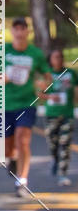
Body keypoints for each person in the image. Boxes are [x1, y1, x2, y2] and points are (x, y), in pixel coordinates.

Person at [4, 17, 50, 197]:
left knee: (23, 139)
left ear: (27, 32)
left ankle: (21, 181)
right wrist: (1, 77)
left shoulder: (35, 54)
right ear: (12, 32)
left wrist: (42, 86)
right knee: (7, 147)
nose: (19, 32)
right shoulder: (3, 51)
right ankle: (11, 159)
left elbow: (47, 77)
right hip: (5, 104)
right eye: (16, 28)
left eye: (23, 28)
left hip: (27, 103)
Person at [44, 47, 77, 186]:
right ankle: (55, 159)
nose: (58, 59)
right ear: (50, 60)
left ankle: (63, 173)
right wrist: (50, 96)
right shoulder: (47, 75)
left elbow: (76, 90)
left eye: (60, 56)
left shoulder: (71, 73)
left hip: (67, 114)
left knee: (65, 143)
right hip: (51, 114)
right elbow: (38, 92)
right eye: (55, 57)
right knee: (53, 144)